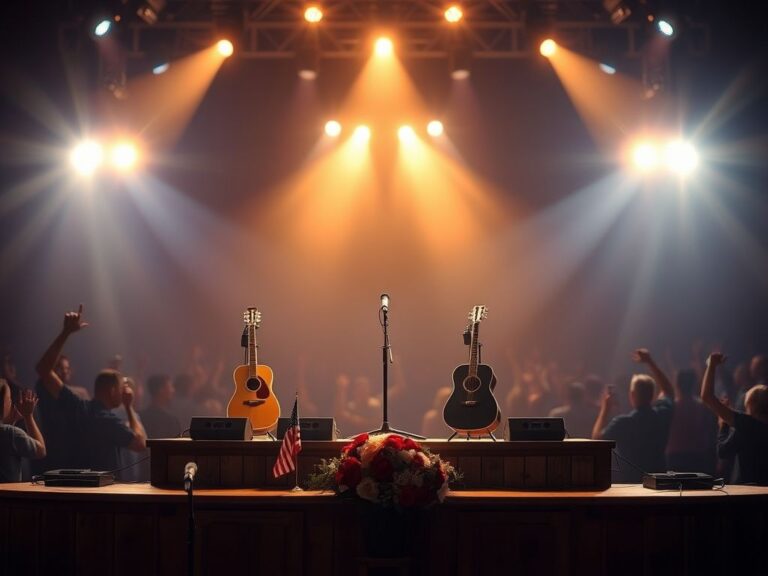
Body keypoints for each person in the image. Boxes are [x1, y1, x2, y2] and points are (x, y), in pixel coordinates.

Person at [35, 305, 147, 472]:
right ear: (111, 391)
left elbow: (43, 369)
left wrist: (66, 332)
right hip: (102, 493)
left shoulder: (78, 406)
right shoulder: (107, 420)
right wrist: (129, 407)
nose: (124, 391)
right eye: (121, 387)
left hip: (71, 483)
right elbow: (140, 443)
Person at [592, 348, 675, 483]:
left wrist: (605, 409)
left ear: (632, 395)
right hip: (659, 483)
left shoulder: (622, 423)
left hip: (630, 485)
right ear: (653, 395)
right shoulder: (662, 414)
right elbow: (669, 391)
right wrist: (650, 362)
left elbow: (596, 440)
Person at [700, 352, 768, 485]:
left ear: (751, 405)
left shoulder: (748, 423)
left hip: (748, 491)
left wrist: (711, 365)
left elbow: (707, 397)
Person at [665, 369, 717, 474]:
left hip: (675, 455)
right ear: (694, 385)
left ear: (677, 385)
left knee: (675, 488)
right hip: (698, 455)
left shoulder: (672, 406)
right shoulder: (702, 406)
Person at [0, 380, 46, 482]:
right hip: (8, 497)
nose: (11, 402)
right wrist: (28, 416)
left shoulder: (8, 432)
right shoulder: (11, 433)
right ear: (3, 403)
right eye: (9, 398)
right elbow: (41, 450)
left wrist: (10, 423)